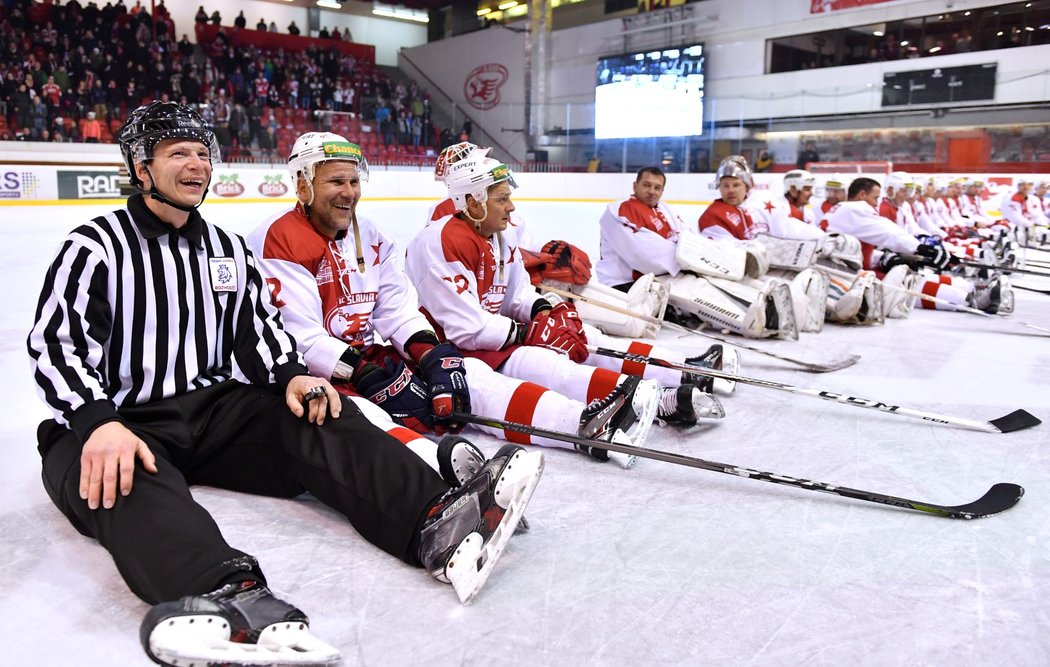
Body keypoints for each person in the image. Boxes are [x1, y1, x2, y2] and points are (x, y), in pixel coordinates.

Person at [27, 103, 542, 666]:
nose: (196, 165)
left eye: (203, 153)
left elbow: (259, 331)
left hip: (210, 410)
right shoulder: (96, 246)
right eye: (178, 153)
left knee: (323, 410)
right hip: (117, 419)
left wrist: (293, 375)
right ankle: (223, 598)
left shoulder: (224, 249)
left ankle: (439, 520)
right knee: (120, 476)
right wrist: (97, 424)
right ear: (141, 168)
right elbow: (58, 345)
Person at [250, 133, 672, 467]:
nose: (349, 192)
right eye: (335, 181)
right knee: (367, 421)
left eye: (354, 181)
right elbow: (299, 335)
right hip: (310, 376)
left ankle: (582, 425)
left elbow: (396, 308)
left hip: (371, 358)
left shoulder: (371, 234)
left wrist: (431, 356)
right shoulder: (279, 238)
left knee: (468, 378)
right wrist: (365, 374)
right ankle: (444, 474)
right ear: (303, 183)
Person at [409, 154, 728, 447]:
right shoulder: (439, 241)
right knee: (546, 366)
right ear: (473, 202)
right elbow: (465, 328)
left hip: (493, 338)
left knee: (584, 337)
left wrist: (545, 312)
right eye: (502, 198)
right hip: (451, 350)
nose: (511, 207)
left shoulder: (499, 235)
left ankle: (681, 374)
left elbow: (517, 294)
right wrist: (527, 332)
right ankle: (627, 409)